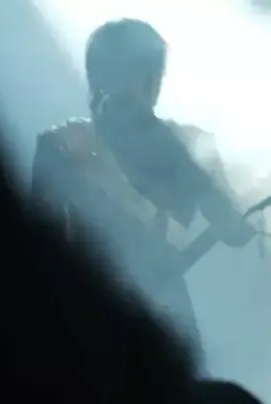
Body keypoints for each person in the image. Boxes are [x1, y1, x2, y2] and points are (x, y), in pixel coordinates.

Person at [31, 18, 254, 361]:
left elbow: (235, 230)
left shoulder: (184, 142)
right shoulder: (62, 145)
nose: (151, 83)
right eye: (136, 71)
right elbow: (41, 242)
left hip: (162, 314)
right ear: (101, 76)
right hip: (86, 311)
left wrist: (204, 172)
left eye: (154, 71)